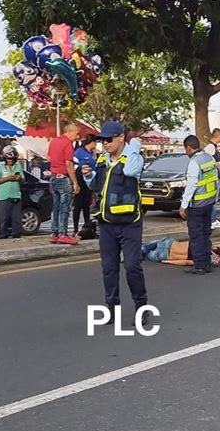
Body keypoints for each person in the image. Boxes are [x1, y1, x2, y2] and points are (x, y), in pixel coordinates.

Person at [82, 120, 147, 325]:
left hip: (129, 223)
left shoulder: (133, 158)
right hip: (107, 224)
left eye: (109, 139)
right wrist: (88, 175)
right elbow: (97, 185)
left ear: (121, 137)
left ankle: (141, 306)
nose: (105, 144)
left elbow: (129, 172)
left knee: (132, 266)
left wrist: (134, 146)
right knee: (109, 268)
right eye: (102, 140)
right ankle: (111, 308)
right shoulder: (103, 160)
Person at [179, 135, 218, 275]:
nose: (186, 152)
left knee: (196, 235)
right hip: (209, 203)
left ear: (189, 147)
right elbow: (215, 180)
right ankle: (207, 263)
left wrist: (183, 206)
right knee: (205, 234)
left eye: (186, 149)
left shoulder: (194, 162)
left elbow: (191, 185)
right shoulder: (209, 158)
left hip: (197, 205)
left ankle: (200, 265)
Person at [47, 121, 80, 245]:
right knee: (64, 207)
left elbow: (49, 157)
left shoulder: (54, 141)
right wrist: (75, 182)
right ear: (70, 132)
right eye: (77, 134)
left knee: (55, 207)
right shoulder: (68, 144)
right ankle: (63, 234)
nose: (77, 137)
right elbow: (69, 164)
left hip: (54, 177)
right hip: (63, 177)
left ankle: (54, 233)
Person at [0, 145, 24, 239]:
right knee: (4, 218)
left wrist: (19, 178)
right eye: (9, 158)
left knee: (16, 218)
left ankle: (16, 234)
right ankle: (4, 234)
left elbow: (22, 179)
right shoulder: (0, 166)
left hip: (16, 196)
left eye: (12, 159)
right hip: (4, 197)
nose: (10, 160)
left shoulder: (18, 166)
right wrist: (8, 178)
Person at [142, 237, 220, 268]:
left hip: (168, 243)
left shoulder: (204, 243)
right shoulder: (204, 259)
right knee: (145, 256)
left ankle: (141, 248)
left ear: (218, 247)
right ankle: (139, 252)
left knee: (146, 246)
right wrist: (168, 261)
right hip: (164, 255)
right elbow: (186, 262)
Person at [73, 134, 97, 236]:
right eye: (95, 142)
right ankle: (75, 228)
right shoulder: (79, 152)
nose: (96, 144)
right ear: (91, 142)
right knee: (78, 206)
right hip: (80, 180)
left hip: (89, 181)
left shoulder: (92, 153)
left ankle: (87, 227)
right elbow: (73, 166)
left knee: (87, 206)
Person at [204, 127, 220, 230]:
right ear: (219, 136)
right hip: (214, 177)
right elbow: (207, 159)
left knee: (214, 199)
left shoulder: (214, 147)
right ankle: (212, 220)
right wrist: (216, 164)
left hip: (217, 175)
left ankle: (213, 219)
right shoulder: (210, 147)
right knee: (213, 200)